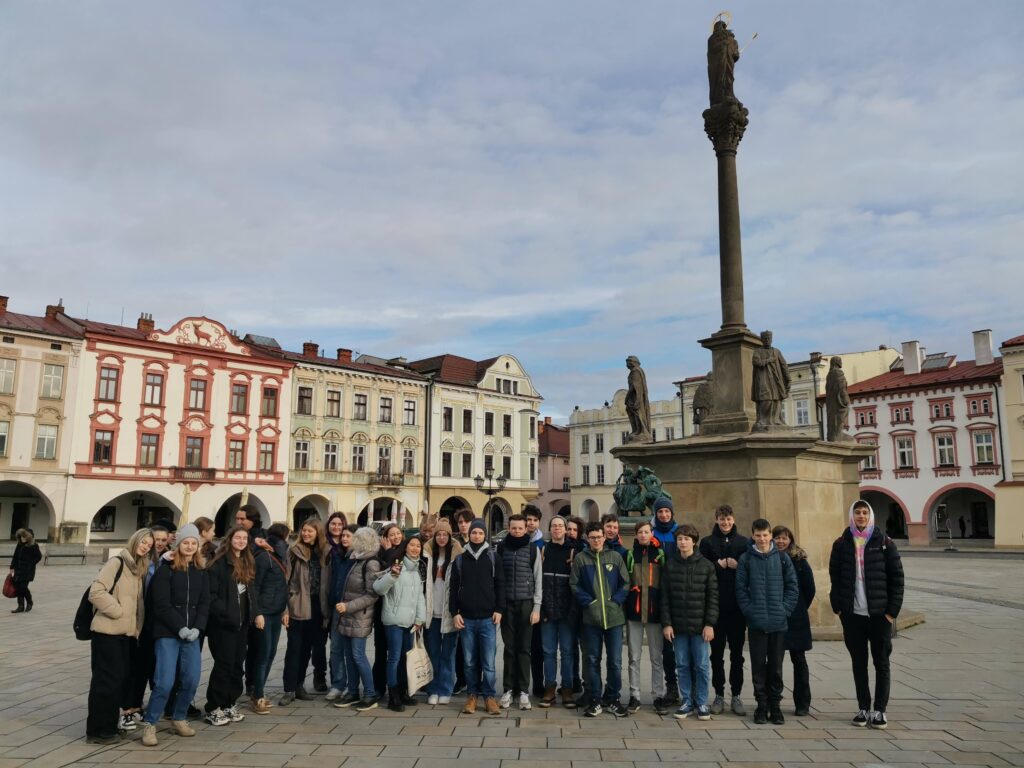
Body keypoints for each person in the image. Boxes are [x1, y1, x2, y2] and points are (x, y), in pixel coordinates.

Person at [830, 500, 904, 730]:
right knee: (858, 663)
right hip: (853, 615)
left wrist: (891, 613)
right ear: (852, 515)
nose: (861, 516)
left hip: (879, 615)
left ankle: (880, 710)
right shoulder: (841, 543)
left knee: (881, 662)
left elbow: (897, 579)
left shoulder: (884, 542)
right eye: (857, 512)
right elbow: (835, 576)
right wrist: (839, 607)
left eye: (864, 512)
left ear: (870, 515)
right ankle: (863, 707)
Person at [141, 524, 209, 747]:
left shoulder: (200, 570)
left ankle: (179, 717)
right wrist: (179, 626)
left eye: (193, 543)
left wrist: (198, 627)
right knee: (165, 681)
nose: (189, 546)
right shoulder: (166, 570)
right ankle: (150, 722)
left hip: (192, 633)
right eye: (185, 543)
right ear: (178, 545)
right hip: (168, 632)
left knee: (191, 679)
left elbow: (204, 603)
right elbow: (161, 604)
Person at [85, 528, 153, 744]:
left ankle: (109, 725)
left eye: (149, 545)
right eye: (143, 542)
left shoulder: (137, 567)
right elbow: (96, 592)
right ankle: (98, 731)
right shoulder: (117, 563)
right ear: (135, 540)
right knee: (105, 682)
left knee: (116, 682)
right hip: (107, 632)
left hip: (126, 635)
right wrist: (118, 612)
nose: (146, 547)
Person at [736, 518, 798, 726]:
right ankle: (761, 705)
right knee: (758, 667)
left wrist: (784, 610)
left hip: (778, 622)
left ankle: (775, 706)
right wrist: (749, 611)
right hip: (756, 623)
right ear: (752, 535)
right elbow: (740, 589)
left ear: (770, 535)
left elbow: (792, 587)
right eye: (758, 535)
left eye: (765, 535)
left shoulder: (782, 559)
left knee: (776, 667)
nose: (762, 539)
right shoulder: (746, 559)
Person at [571, 521, 630, 718]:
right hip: (591, 619)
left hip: (614, 618)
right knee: (592, 659)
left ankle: (612, 698)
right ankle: (595, 699)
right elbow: (575, 585)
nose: (596, 540)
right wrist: (590, 602)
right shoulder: (581, 559)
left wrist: (615, 602)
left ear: (604, 537)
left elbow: (625, 583)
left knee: (614, 661)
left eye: (599, 536)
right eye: (592, 537)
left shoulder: (615, 557)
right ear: (587, 539)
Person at [661, 525, 718, 721]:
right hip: (678, 626)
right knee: (682, 664)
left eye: (686, 539)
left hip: (700, 627)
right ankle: (687, 700)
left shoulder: (706, 566)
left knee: (701, 665)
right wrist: (666, 624)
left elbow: (713, 597)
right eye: (680, 539)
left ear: (694, 541)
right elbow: (665, 598)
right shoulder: (670, 565)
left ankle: (701, 701)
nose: (683, 542)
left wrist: (710, 624)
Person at [450, 519, 505, 716]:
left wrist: (499, 609)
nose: (477, 536)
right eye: (474, 533)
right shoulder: (460, 559)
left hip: (487, 618)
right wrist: (454, 612)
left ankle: (489, 696)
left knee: (489, 661)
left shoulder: (492, 558)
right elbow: (453, 588)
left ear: (485, 535)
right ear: (469, 535)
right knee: (470, 661)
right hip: (466, 618)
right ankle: (472, 695)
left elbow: (500, 585)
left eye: (480, 533)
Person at [699, 504, 750, 716]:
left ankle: (736, 694)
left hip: (737, 609)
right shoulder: (707, 542)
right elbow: (702, 568)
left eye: (728, 519)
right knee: (716, 655)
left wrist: (738, 566)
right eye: (722, 519)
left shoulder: (744, 542)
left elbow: (749, 569)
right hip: (716, 608)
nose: (726, 522)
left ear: (734, 519)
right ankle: (719, 694)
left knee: (737, 655)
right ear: (716, 519)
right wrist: (718, 565)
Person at [203, 526, 255, 726]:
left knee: (236, 666)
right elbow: (211, 596)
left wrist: (254, 614)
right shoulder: (218, 563)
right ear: (230, 539)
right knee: (223, 666)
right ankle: (213, 707)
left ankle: (229, 703)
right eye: (237, 537)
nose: (241, 541)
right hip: (223, 625)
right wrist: (225, 614)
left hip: (241, 625)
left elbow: (250, 593)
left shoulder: (247, 562)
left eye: (244, 538)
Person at [328, 527, 383, 712]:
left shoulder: (370, 563)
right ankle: (352, 692)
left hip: (359, 616)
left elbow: (372, 595)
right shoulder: (355, 559)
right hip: (346, 615)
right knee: (349, 656)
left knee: (358, 655)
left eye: (356, 538)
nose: (350, 540)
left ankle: (370, 694)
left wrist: (348, 606)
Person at [374, 537, 427, 712]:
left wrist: (420, 619)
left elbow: (420, 597)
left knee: (406, 658)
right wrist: (392, 576)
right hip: (394, 620)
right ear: (405, 548)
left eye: (418, 546)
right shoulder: (396, 567)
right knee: (394, 658)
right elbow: (379, 589)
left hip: (410, 622)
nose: (415, 548)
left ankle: (404, 692)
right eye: (412, 545)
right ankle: (393, 695)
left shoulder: (417, 570)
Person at [495, 514, 542, 710]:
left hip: (526, 604)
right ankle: (508, 690)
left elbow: (538, 578)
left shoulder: (532, 549)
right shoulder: (501, 548)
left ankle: (523, 691)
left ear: (525, 529)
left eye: (520, 528)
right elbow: (496, 578)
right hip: (507, 604)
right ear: (509, 528)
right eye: (513, 528)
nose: (517, 531)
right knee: (509, 648)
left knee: (524, 649)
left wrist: (537, 607)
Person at [126, 525, 170, 723]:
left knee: (156, 666)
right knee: (139, 665)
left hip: (160, 622)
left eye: (162, 540)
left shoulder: (168, 561)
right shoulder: (142, 562)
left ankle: (157, 704)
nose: (159, 543)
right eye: (156, 540)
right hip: (141, 620)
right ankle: (132, 705)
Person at [281, 518, 327, 705]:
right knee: (294, 648)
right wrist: (285, 609)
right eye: (304, 531)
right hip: (298, 604)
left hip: (317, 606)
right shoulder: (293, 551)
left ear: (318, 533)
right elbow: (284, 581)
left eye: (311, 531)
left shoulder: (324, 552)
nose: (306, 534)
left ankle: (299, 686)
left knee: (307, 649)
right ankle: (289, 689)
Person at [624, 520, 667, 714]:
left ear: (652, 533)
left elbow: (664, 583)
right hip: (634, 612)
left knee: (656, 657)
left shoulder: (659, 554)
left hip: (654, 612)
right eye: (640, 532)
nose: (643, 535)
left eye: (646, 532)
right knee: (634, 656)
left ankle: (658, 695)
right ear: (635, 535)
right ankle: (635, 695)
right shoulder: (630, 555)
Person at [773, 525, 815, 716]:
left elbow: (809, 589)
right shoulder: (770, 558)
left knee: (799, 660)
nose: (781, 541)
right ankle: (775, 701)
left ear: (790, 540)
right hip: (776, 617)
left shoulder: (800, 561)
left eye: (784, 538)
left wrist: (798, 607)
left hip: (796, 618)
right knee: (775, 662)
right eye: (778, 538)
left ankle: (803, 703)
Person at [248, 527, 289, 715]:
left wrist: (284, 610)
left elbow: (283, 587)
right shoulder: (263, 559)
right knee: (263, 655)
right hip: (264, 612)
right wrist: (257, 613)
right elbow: (255, 587)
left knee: (271, 653)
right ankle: (258, 696)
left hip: (276, 611)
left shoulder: (279, 559)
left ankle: (259, 691)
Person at [538, 515, 577, 709]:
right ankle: (550, 689)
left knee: (568, 652)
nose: (557, 529)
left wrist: (572, 611)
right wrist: (542, 607)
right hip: (547, 611)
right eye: (553, 526)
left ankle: (567, 690)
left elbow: (576, 584)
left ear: (565, 529)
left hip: (567, 611)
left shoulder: (573, 551)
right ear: (550, 529)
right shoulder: (543, 550)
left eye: (560, 526)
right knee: (549, 652)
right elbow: (539, 583)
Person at [423, 520, 462, 705]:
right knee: (432, 653)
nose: (441, 537)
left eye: (445, 534)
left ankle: (445, 688)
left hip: (448, 613)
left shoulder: (457, 557)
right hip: (431, 613)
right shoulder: (427, 555)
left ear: (449, 536)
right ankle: (432, 689)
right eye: (438, 534)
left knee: (447, 654)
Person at [373, 523, 406, 696]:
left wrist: (387, 553)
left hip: (398, 609)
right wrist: (385, 552)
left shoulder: (405, 552)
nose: (395, 537)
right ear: (385, 537)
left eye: (398, 533)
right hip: (381, 608)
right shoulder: (379, 553)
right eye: (391, 534)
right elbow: (380, 575)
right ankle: (379, 686)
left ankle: (399, 687)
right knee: (381, 650)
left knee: (397, 654)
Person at [451, 508, 475, 694]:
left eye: (466, 521)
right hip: (459, 599)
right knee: (459, 644)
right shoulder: (454, 544)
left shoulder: (479, 540)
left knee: (476, 645)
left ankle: (476, 679)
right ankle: (461, 679)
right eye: (460, 522)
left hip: (475, 601)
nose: (464, 524)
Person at [752, 330, 790, 431]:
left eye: (769, 338)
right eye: (765, 339)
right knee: (766, 398)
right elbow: (756, 362)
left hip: (775, 379)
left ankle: (776, 420)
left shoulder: (776, 352)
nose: (767, 340)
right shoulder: (758, 351)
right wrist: (768, 360)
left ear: (772, 339)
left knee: (777, 399)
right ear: (762, 340)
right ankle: (763, 420)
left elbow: (784, 365)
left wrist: (788, 378)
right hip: (763, 379)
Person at [8, 527, 41, 613]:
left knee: (23, 587)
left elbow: (38, 556)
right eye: (20, 537)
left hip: (27, 571)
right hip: (18, 570)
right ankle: (20, 606)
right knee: (19, 588)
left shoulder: (34, 545)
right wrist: (11, 567)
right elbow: (15, 556)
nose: (22, 538)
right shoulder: (19, 544)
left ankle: (29, 602)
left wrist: (30, 564)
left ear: (28, 537)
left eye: (23, 536)